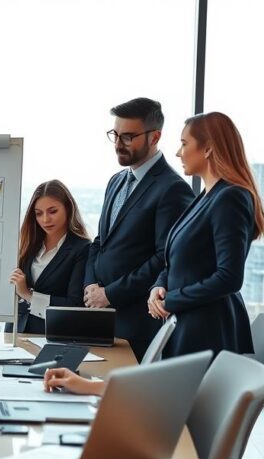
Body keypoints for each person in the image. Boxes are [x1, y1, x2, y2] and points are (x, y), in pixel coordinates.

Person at [148, 112, 264, 359]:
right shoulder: (207, 196)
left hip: (208, 333)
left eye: (184, 143)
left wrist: (172, 300)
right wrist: (159, 286)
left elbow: (229, 277)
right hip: (190, 327)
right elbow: (179, 258)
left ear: (208, 149)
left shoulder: (230, 198)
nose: (178, 152)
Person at [84, 98, 194, 362]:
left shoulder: (172, 188)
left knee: (126, 401)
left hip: (137, 324)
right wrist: (90, 286)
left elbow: (163, 259)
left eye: (128, 137)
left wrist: (110, 294)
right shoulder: (117, 181)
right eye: (115, 135)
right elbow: (101, 241)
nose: (118, 144)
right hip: (101, 317)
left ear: (154, 137)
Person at [8, 180, 91, 334]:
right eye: (39, 213)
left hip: (53, 336)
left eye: (52, 211)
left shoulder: (82, 249)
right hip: (16, 333)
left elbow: (75, 305)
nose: (45, 220)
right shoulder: (29, 245)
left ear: (68, 208)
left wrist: (28, 294)